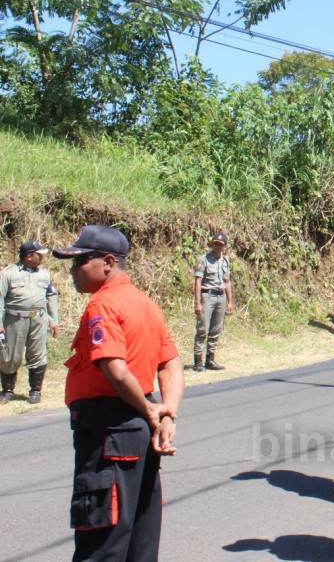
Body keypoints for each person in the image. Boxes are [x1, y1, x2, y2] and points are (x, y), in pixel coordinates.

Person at [54, 225, 185, 560]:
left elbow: (114, 368)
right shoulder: (145, 303)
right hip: (137, 430)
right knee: (138, 540)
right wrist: (164, 410)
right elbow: (171, 363)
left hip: (108, 432)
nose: (73, 270)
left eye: (81, 261)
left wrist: (151, 409)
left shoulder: (104, 305)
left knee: (101, 541)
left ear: (108, 262)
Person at [1, 239, 59, 404]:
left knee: (38, 354)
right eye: (39, 254)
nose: (42, 257)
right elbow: (0, 299)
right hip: (14, 320)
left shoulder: (44, 274)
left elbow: (51, 296)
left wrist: (53, 320)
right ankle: (8, 391)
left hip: (38, 319)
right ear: (28, 256)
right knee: (11, 356)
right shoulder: (8, 274)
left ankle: (35, 391)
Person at [192, 232, 234, 372]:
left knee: (216, 330)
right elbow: (198, 281)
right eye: (215, 243)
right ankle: (198, 361)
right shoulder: (203, 260)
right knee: (202, 329)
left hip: (220, 296)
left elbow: (227, 281)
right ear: (211, 244)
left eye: (220, 245)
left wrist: (229, 302)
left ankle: (210, 359)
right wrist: (197, 302)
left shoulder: (225, 261)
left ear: (224, 247)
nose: (217, 246)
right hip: (207, 296)